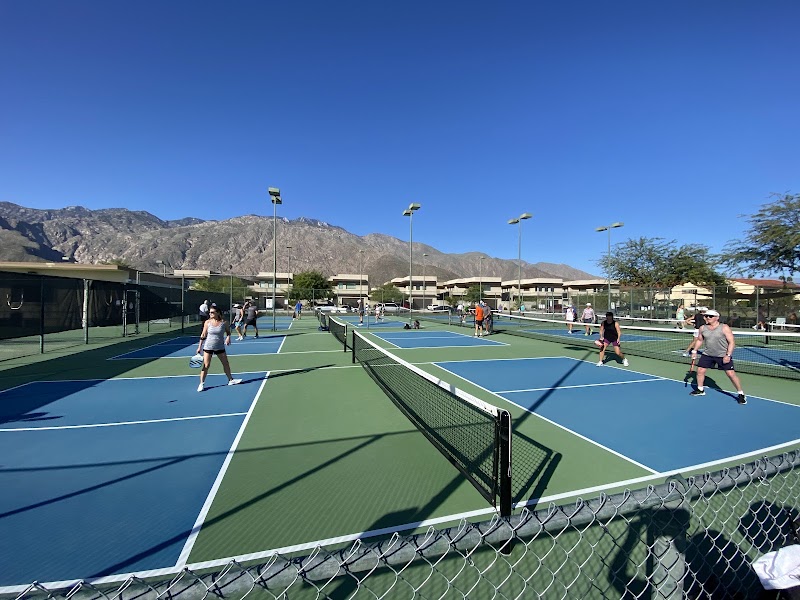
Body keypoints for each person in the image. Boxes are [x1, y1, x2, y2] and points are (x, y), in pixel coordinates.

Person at [689, 309, 746, 405]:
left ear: (717, 318)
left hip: (722, 355)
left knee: (731, 374)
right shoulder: (703, 328)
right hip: (707, 354)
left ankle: (741, 394)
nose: (708, 318)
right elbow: (699, 340)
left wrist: (728, 355)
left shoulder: (724, 327)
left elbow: (732, 342)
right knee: (700, 371)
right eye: (706, 316)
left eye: (710, 316)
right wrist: (694, 350)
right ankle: (700, 389)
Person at [195, 306, 242, 392]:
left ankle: (231, 380)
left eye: (212, 312)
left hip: (220, 347)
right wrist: (199, 347)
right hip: (208, 347)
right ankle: (201, 383)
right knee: (206, 365)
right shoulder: (207, 322)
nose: (210, 314)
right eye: (210, 312)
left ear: (218, 313)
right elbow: (203, 335)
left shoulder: (224, 323)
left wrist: (228, 337)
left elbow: (228, 332)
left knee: (226, 363)